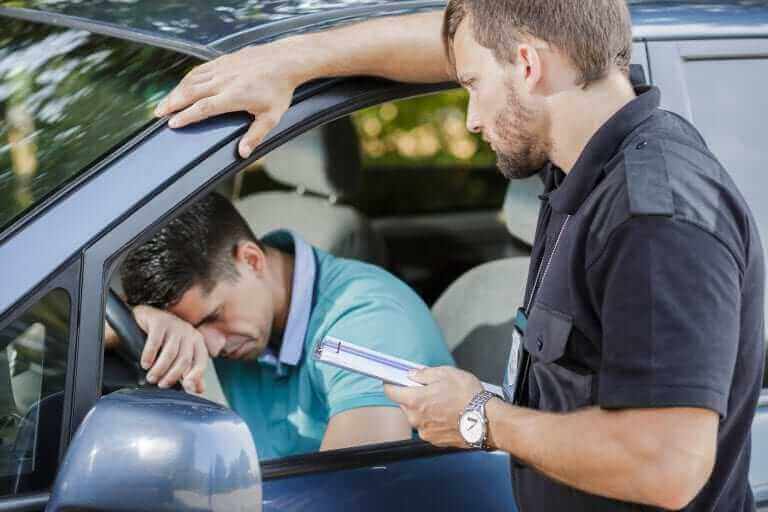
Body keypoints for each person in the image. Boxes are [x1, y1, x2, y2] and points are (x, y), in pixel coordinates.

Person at [153, 1, 766, 510]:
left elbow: (668, 464)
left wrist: (481, 417)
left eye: (471, 86)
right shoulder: (579, 159)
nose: (470, 118)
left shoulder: (654, 216)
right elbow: (454, 40)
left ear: (528, 64)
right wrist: (291, 61)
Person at [107, 193, 454, 460]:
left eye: (213, 316)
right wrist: (143, 319)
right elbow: (82, 328)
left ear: (251, 260)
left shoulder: (366, 319)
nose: (210, 347)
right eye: (190, 328)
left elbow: (349, 492)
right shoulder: (244, 321)